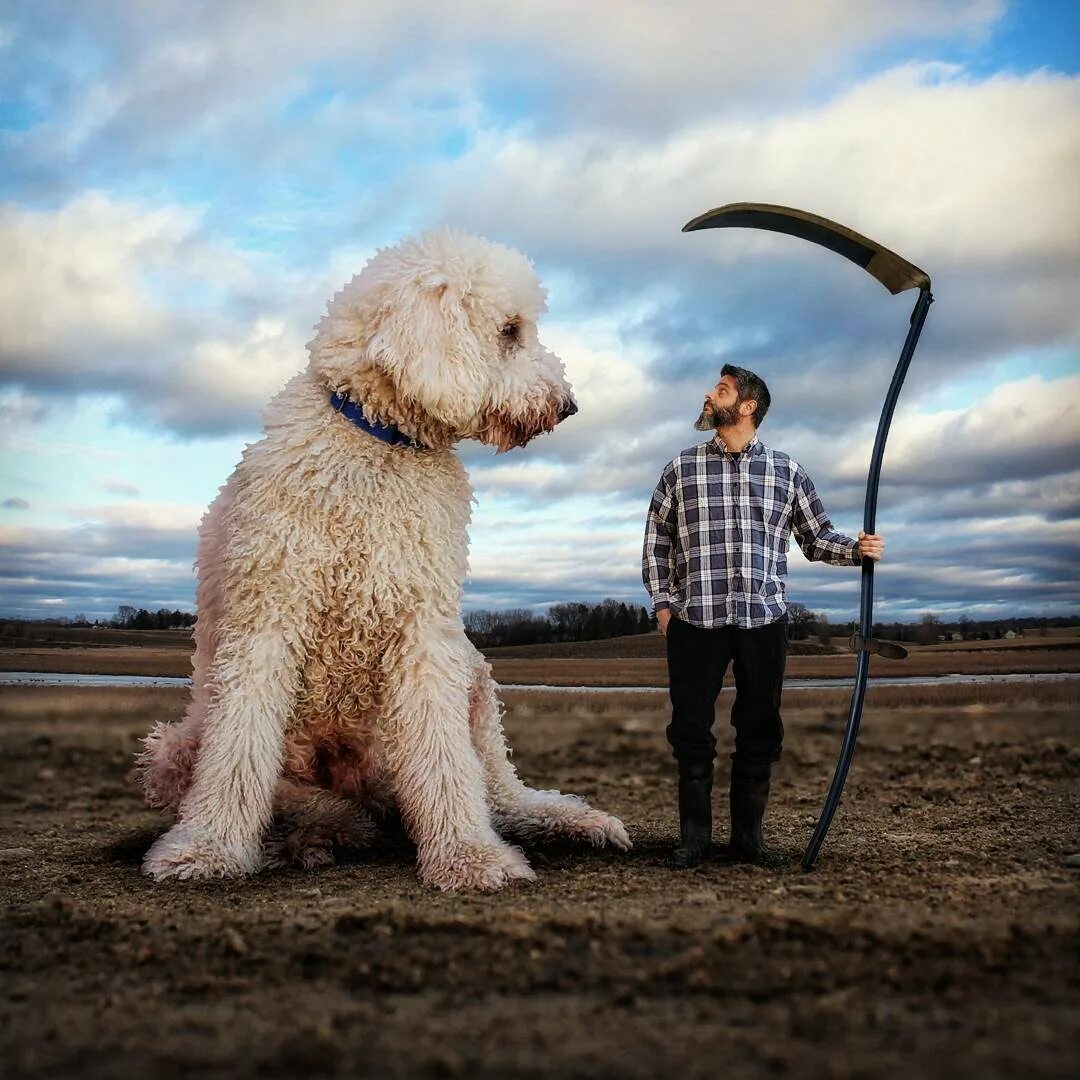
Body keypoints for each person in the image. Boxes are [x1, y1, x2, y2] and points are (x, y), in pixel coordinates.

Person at [642, 364, 884, 869]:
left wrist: (858, 550)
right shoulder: (679, 470)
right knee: (690, 732)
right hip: (695, 621)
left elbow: (817, 538)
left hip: (763, 621)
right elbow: (656, 542)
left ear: (747, 406)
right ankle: (694, 842)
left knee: (760, 731)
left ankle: (748, 843)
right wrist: (664, 606)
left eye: (722, 390)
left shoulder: (786, 471)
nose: (709, 395)